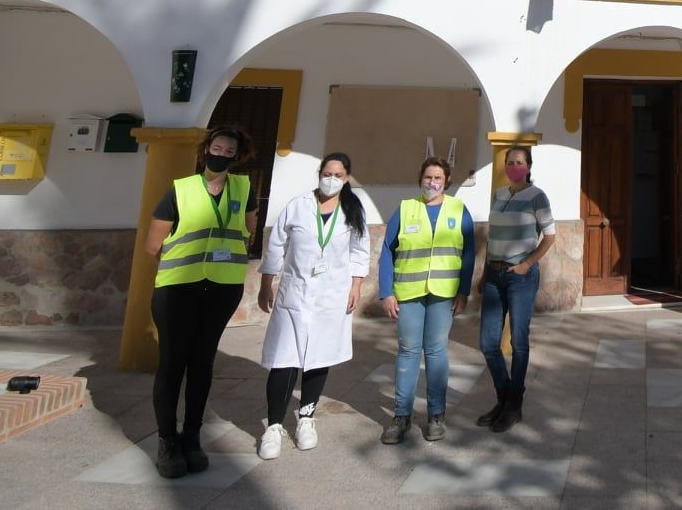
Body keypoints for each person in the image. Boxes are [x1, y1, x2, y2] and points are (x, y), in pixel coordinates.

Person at [144, 126, 259, 479]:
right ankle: (167, 440)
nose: (221, 155)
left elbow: (249, 231)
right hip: (179, 288)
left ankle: (192, 436)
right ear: (206, 148)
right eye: (217, 148)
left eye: (228, 151)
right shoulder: (181, 189)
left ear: (236, 156)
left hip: (222, 288)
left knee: (202, 363)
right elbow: (153, 245)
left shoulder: (243, 189)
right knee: (172, 363)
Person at [255, 152, 371, 459]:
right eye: (327, 174)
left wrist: (356, 286)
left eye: (338, 175)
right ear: (319, 174)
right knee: (284, 359)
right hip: (295, 293)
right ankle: (274, 426)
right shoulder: (298, 206)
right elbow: (276, 246)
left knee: (319, 356)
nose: (331, 180)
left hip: (331, 295)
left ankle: (306, 416)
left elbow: (360, 250)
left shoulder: (353, 210)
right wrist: (267, 283)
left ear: (347, 179)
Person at [378, 157, 475, 445]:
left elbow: (469, 253)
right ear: (420, 178)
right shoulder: (406, 208)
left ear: (447, 182)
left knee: (436, 352)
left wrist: (464, 291)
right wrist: (386, 291)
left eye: (438, 178)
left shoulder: (458, 209)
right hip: (409, 293)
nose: (432, 183)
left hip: (443, 293)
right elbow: (387, 250)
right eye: (428, 177)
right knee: (408, 351)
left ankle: (436, 415)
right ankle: (401, 415)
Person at [475, 145, 556, 432]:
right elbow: (493, 237)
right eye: (509, 162)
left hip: (521, 277)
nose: (513, 167)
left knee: (519, 341)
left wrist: (527, 264)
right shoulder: (498, 195)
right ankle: (504, 397)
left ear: (529, 166)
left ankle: (514, 404)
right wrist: (484, 273)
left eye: (519, 162)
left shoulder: (537, 197)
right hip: (494, 275)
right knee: (488, 343)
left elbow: (550, 236)